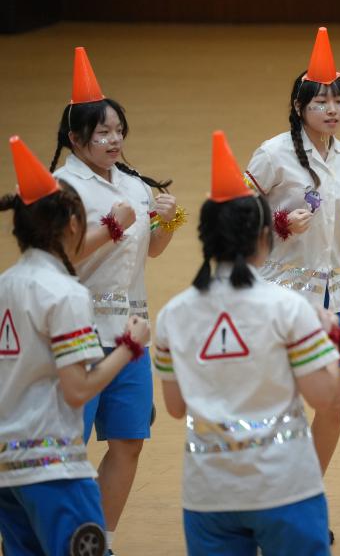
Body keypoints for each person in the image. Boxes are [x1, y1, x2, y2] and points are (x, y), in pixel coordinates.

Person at [154, 131, 340, 556]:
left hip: (207, 492)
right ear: (265, 236)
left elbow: (175, 407)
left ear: (206, 238)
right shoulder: (290, 308)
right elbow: (323, 395)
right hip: (285, 486)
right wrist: (326, 336)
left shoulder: (173, 315)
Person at [50, 47, 183, 554]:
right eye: (101, 132)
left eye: (118, 131)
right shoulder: (61, 187)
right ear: (74, 139)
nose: (113, 140)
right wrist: (111, 226)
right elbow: (61, 256)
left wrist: (165, 223)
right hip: (78, 334)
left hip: (130, 334)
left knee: (128, 441)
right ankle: (58, 539)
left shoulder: (133, 184)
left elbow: (151, 250)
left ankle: (96, 543)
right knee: (70, 448)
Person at [244, 28, 340, 515]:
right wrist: (279, 222)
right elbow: (237, 213)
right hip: (280, 296)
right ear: (300, 107)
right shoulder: (273, 153)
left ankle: (304, 497)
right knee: (281, 405)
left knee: (334, 403)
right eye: (321, 101)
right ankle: (268, 498)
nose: (332, 109)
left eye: (339, 101)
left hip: (335, 299)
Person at [0, 136, 149, 556]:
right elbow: (78, 388)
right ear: (71, 225)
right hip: (54, 470)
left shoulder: (5, 285)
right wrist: (129, 347)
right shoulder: (65, 294)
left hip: (8, 470)